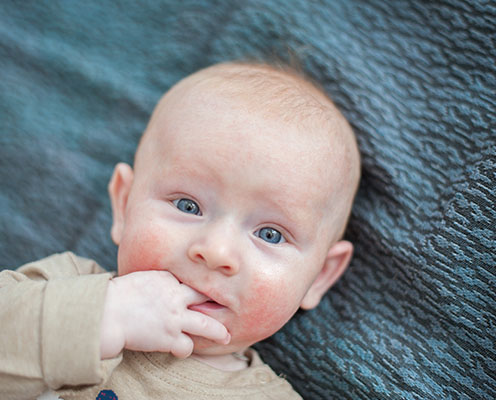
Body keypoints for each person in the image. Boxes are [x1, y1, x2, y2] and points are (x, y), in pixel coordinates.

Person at [0, 61, 361, 399]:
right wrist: (102, 315)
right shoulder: (61, 286)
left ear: (319, 276)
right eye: (188, 206)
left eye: (270, 234)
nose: (216, 251)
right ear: (125, 206)